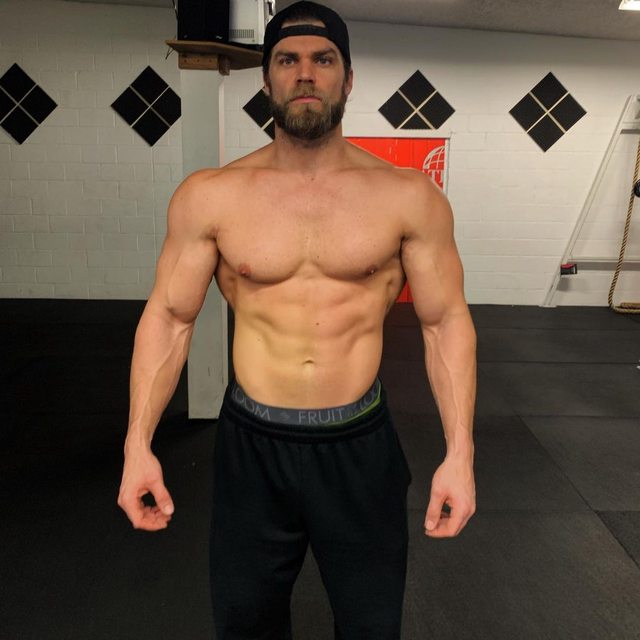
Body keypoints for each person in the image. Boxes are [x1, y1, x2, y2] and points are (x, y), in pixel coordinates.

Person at [118, 1, 476, 637]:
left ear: (348, 77)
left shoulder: (408, 197)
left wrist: (460, 453)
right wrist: (137, 445)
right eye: (287, 60)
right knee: (245, 626)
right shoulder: (211, 196)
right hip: (252, 448)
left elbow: (444, 323)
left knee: (371, 627)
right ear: (266, 79)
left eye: (323, 59)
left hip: (360, 446)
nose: (305, 73)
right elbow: (169, 319)